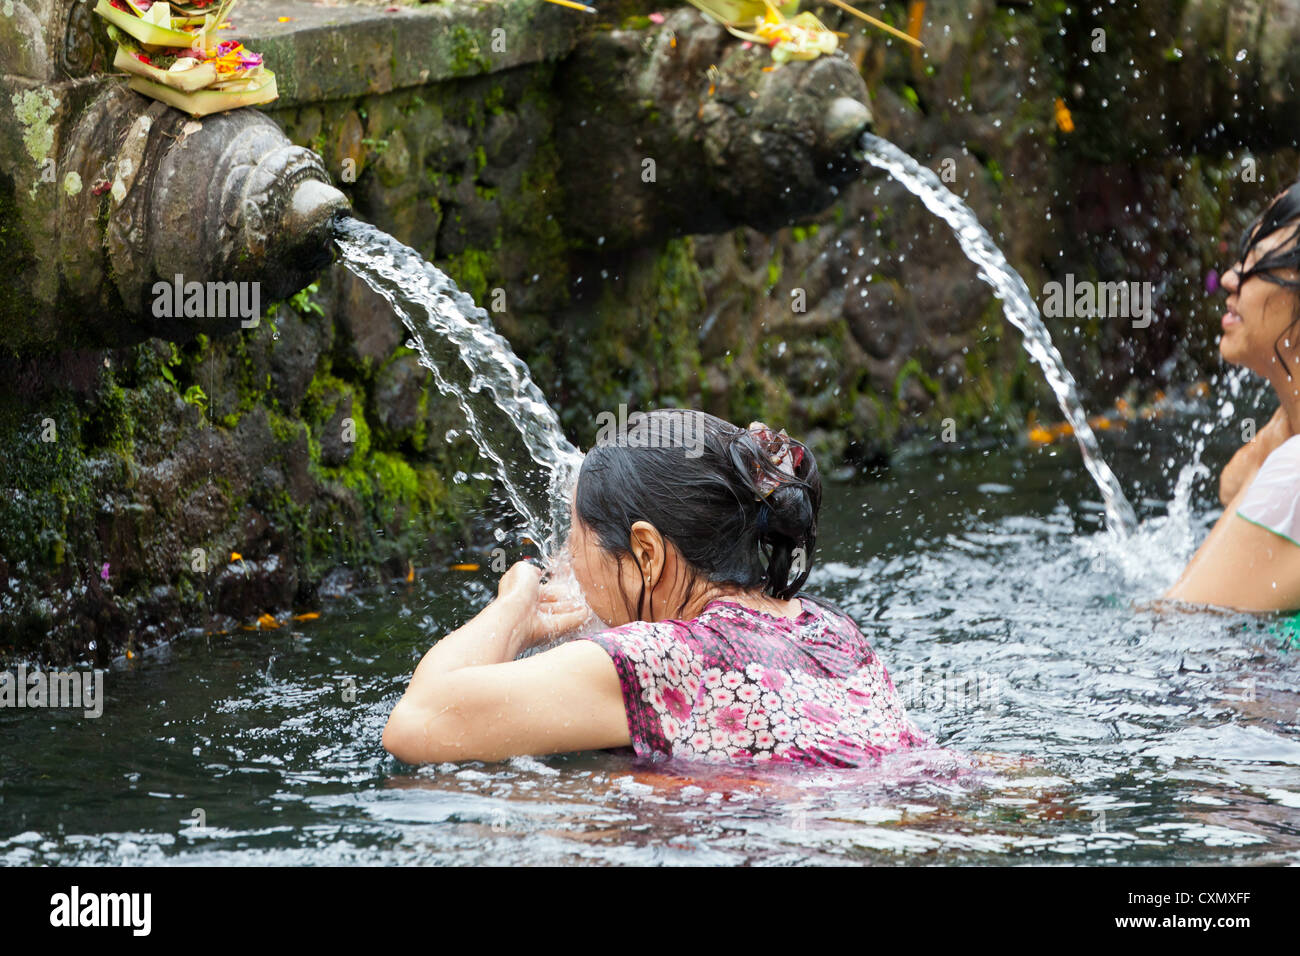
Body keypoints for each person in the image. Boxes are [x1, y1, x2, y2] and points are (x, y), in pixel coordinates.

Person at [383, 409, 928, 766]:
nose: (566, 562)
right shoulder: (827, 624)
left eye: (576, 539)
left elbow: (415, 724)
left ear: (645, 552)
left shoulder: (654, 656)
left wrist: (515, 606)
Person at [1166, 180, 1300, 611]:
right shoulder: (1282, 439)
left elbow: (1171, 627)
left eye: (1256, 263)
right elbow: (1231, 487)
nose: (1228, 278)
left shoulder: (1292, 473)